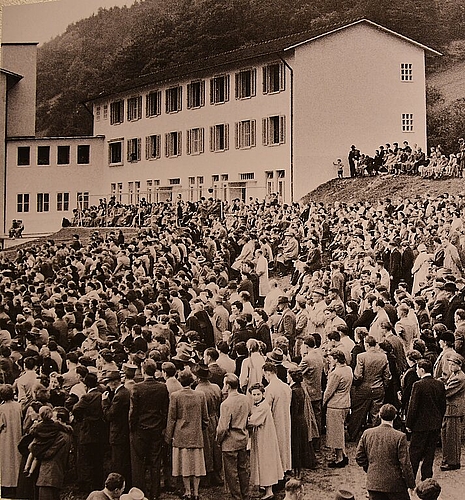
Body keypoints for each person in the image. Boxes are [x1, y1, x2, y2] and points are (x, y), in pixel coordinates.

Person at [356, 403, 415, 500]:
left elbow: (359, 457)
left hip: (373, 484)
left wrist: (370, 468)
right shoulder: (400, 436)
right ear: (395, 417)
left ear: (379, 415)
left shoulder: (367, 433)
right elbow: (405, 464)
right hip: (395, 485)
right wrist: (411, 484)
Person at [165, 370, 208, 500]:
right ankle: (196, 492)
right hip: (196, 434)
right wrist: (200, 427)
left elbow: (171, 418)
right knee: (197, 464)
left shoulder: (175, 396)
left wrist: (168, 436)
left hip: (180, 435)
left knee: (184, 465)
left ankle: (187, 491)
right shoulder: (200, 395)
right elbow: (205, 418)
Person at [129, 359, 169, 500]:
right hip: (156, 429)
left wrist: (132, 427)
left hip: (140, 430)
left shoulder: (137, 388)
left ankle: (140, 493)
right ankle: (155, 493)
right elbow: (165, 410)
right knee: (155, 462)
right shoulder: (162, 387)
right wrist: (162, 426)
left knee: (138, 463)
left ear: (143, 371)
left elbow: (133, 412)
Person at [406, 359, 446, 480]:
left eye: (418, 369)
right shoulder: (439, 384)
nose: (417, 371)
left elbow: (413, 407)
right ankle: (427, 477)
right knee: (430, 453)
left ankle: (411, 477)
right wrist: (438, 419)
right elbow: (443, 405)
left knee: (414, 453)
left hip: (420, 425)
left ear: (422, 370)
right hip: (434, 424)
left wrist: (408, 424)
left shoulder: (418, 385)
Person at [216, 373, 251, 500]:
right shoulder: (246, 399)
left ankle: (236, 497)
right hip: (242, 439)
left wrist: (218, 440)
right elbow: (249, 418)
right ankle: (245, 495)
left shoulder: (226, 404)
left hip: (229, 442)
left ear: (228, 386)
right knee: (243, 469)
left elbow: (223, 427)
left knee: (231, 473)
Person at [248, 383, 284, 500]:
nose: (256, 396)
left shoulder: (264, 406)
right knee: (260, 460)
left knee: (266, 462)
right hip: (260, 437)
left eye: (258, 394)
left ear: (263, 394)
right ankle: (264, 486)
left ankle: (269, 491)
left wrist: (243, 419)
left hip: (265, 438)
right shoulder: (256, 405)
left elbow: (253, 421)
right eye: (254, 394)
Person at [323, 349, 353, 468]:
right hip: (345, 402)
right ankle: (343, 455)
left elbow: (329, 391)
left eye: (331, 359)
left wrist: (323, 402)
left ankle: (339, 458)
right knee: (339, 431)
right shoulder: (348, 369)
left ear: (336, 360)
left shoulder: (336, 373)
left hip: (335, 405)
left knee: (335, 433)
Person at [101, 370, 132, 485]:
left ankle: (118, 487)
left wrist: (104, 402)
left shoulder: (119, 396)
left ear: (114, 382)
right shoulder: (124, 392)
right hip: (123, 433)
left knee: (118, 463)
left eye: (108, 383)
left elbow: (109, 415)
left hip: (118, 434)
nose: (108, 386)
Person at [263, 362, 292, 474]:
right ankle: (286, 467)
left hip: (275, 420)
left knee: (276, 446)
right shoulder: (286, 387)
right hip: (286, 418)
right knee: (285, 444)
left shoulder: (269, 389)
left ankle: (278, 471)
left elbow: (266, 409)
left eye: (265, 375)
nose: (265, 378)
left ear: (268, 373)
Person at [440, 352, 465, 471]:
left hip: (454, 410)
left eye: (452, 364)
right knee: (446, 435)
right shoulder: (455, 375)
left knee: (452, 437)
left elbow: (447, 392)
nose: (450, 366)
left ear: (458, 365)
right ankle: (447, 459)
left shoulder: (459, 378)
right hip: (449, 409)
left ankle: (453, 461)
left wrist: (440, 386)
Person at [0, 384, 22, 492]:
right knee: (16, 458)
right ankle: (17, 481)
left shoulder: (2, 408)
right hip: (17, 433)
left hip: (5, 436)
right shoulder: (18, 406)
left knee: (6, 458)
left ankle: (6, 483)